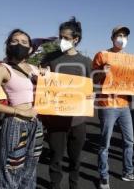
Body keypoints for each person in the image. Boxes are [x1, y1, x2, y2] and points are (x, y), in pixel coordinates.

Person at [0, 29, 46, 188]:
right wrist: (20, 111)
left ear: (31, 48)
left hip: (36, 125)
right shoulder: (3, 68)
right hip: (15, 125)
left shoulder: (33, 68)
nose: (20, 44)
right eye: (15, 41)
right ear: (8, 45)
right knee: (11, 171)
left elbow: (52, 88)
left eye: (24, 42)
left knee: (30, 171)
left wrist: (48, 75)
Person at [93, 25, 134, 189]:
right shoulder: (103, 55)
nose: (122, 38)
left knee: (129, 141)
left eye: (125, 36)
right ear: (112, 38)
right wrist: (102, 72)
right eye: (119, 35)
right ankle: (103, 176)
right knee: (105, 144)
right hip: (107, 104)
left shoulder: (131, 60)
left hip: (124, 105)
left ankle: (128, 172)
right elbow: (92, 78)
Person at [41, 17, 92, 189]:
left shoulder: (86, 62)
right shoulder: (50, 58)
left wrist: (91, 95)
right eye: (60, 36)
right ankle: (55, 186)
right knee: (55, 157)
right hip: (56, 119)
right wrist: (42, 73)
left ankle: (73, 185)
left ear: (75, 39)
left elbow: (92, 86)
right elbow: (42, 83)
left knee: (75, 159)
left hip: (78, 120)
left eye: (66, 38)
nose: (61, 40)